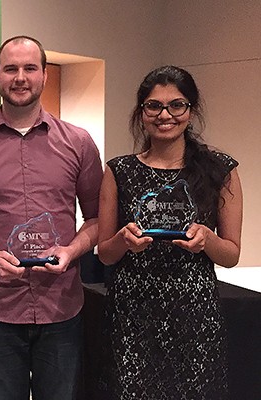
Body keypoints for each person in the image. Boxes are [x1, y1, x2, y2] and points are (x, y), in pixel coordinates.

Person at [0, 36, 103, 400]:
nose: (20, 77)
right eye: (10, 68)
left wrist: (72, 250)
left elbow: (97, 220)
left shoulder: (78, 143)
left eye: (30, 68)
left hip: (62, 307)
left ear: (44, 75)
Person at [97, 66, 243, 399]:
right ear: (142, 112)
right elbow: (105, 252)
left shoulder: (221, 170)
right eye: (154, 106)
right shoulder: (119, 171)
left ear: (191, 112)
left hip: (194, 313)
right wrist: (122, 240)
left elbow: (231, 254)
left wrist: (207, 239)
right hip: (132, 314)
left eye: (176, 105)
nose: (165, 115)